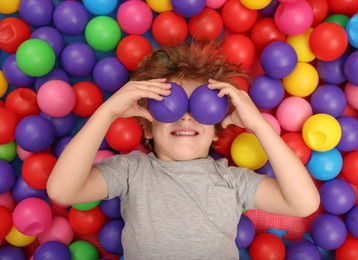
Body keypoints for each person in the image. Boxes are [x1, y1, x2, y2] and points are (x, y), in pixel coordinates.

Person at [47, 40, 320, 259]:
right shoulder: (132, 170)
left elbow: (304, 203)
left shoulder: (233, 181)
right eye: (171, 106)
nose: (186, 117)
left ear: (216, 132)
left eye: (201, 109)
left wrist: (258, 125)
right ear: (148, 128)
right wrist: (107, 112)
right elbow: (63, 191)